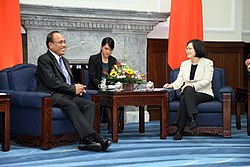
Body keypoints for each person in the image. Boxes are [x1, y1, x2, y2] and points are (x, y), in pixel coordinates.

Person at [36, 31, 112, 151]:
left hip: (66, 94)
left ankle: (84, 141)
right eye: (60, 42)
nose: (64, 45)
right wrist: (72, 89)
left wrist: (77, 87)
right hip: (52, 95)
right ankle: (95, 137)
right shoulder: (44, 59)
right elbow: (52, 82)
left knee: (89, 104)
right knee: (71, 104)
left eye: (64, 42)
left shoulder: (65, 61)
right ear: (50, 45)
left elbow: (67, 81)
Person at [163, 39, 214, 140]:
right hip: (188, 93)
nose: (187, 51)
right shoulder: (184, 64)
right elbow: (179, 80)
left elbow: (207, 81)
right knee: (185, 95)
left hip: (203, 93)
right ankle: (192, 119)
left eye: (190, 48)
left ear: (197, 49)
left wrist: (191, 86)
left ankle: (179, 130)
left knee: (186, 94)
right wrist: (171, 86)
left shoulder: (207, 63)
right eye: (186, 48)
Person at [88, 37, 123, 133]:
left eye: (110, 50)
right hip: (97, 88)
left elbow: (116, 76)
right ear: (101, 47)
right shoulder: (93, 59)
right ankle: (112, 125)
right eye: (106, 49)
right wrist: (101, 85)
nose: (108, 52)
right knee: (108, 100)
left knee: (119, 99)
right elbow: (92, 77)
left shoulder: (113, 60)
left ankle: (114, 124)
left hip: (110, 88)